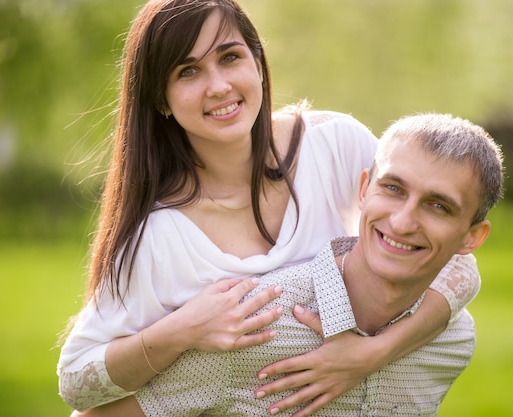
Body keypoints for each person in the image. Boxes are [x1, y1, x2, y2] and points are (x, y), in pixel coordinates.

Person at [57, 1, 482, 415]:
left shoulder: (334, 144)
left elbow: (453, 262)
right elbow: (76, 383)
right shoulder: (162, 238)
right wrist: (183, 329)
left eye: (230, 57)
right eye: (188, 71)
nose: (219, 85)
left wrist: (370, 355)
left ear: (258, 63)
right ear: (161, 100)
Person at [74, 112, 505, 417]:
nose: (404, 221)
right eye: (393, 188)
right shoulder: (259, 325)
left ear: (472, 237)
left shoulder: (452, 341)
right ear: (363, 189)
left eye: (438, 207)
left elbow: (460, 274)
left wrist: (375, 352)